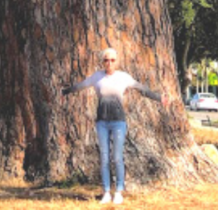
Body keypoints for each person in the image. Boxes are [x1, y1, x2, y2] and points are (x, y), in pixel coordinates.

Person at [62, 47, 170, 204]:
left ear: (117, 61)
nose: (109, 63)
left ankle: (119, 191)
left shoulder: (123, 77)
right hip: (102, 123)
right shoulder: (97, 77)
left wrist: (159, 98)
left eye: (112, 60)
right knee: (104, 158)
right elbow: (80, 86)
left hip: (118, 122)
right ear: (102, 62)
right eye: (106, 60)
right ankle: (106, 192)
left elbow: (141, 89)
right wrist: (64, 92)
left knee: (117, 157)